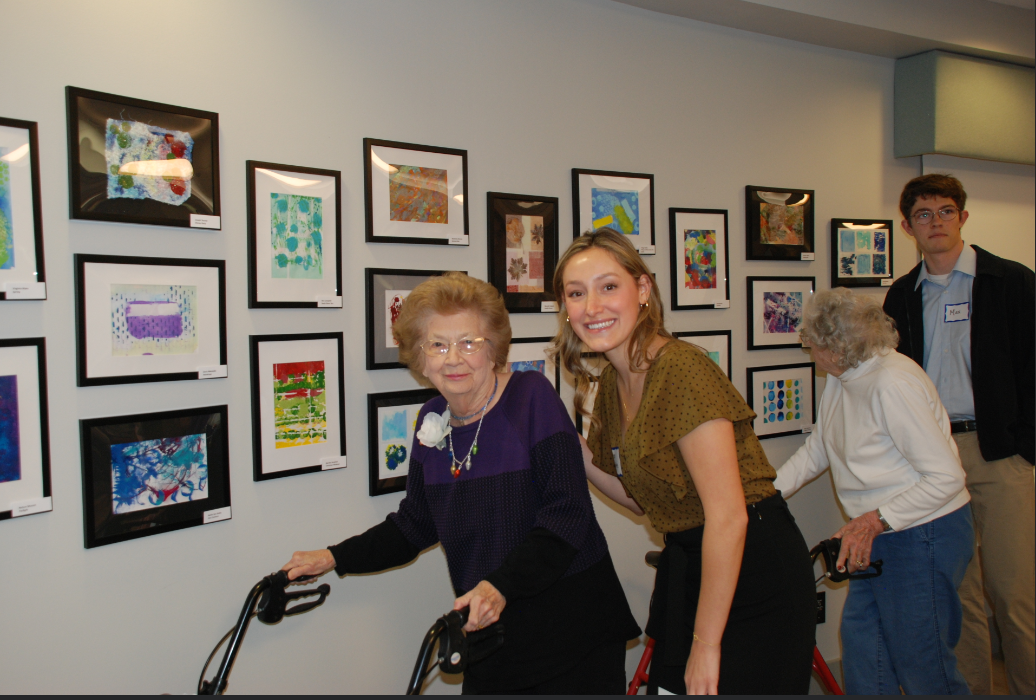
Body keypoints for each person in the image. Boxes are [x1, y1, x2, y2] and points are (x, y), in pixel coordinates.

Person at [280, 272, 640, 695]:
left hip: (571, 629)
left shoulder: (531, 397)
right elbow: (415, 524)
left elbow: (567, 514)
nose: (453, 358)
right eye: (437, 344)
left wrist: (499, 585)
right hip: (491, 627)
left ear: (493, 350)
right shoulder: (431, 419)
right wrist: (333, 557)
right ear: (420, 355)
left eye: (469, 342)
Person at [553, 228, 816, 695]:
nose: (591, 307)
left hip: (752, 565)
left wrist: (707, 643)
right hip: (689, 565)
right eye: (576, 294)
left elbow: (729, 517)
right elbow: (636, 501)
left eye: (608, 286)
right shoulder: (612, 385)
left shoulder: (680, 369)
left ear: (643, 290)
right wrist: (567, 445)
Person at [775, 288, 974, 695]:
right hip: (875, 535)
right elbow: (820, 448)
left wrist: (873, 520)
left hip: (923, 533)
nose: (811, 353)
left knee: (925, 666)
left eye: (814, 346)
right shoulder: (843, 376)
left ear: (840, 346)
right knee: (867, 660)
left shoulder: (892, 383)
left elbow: (947, 477)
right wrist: (766, 497)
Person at [882, 173, 1035, 695]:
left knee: (1015, 595)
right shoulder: (902, 295)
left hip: (999, 453)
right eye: (923, 215)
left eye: (946, 211)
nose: (936, 223)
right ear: (908, 227)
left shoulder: (1011, 282)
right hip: (933, 459)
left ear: (963, 218)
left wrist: (1027, 449)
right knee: (957, 594)